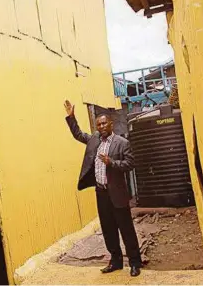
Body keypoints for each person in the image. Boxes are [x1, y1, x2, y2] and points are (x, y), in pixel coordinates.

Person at [64, 100, 142, 277]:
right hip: (101, 193)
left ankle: (135, 263)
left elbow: (130, 164)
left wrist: (111, 162)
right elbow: (78, 134)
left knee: (126, 229)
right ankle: (116, 262)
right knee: (108, 229)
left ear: (111, 124)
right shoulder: (94, 140)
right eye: (98, 124)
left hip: (118, 193)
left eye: (104, 123)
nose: (101, 126)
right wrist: (71, 117)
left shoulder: (122, 143)